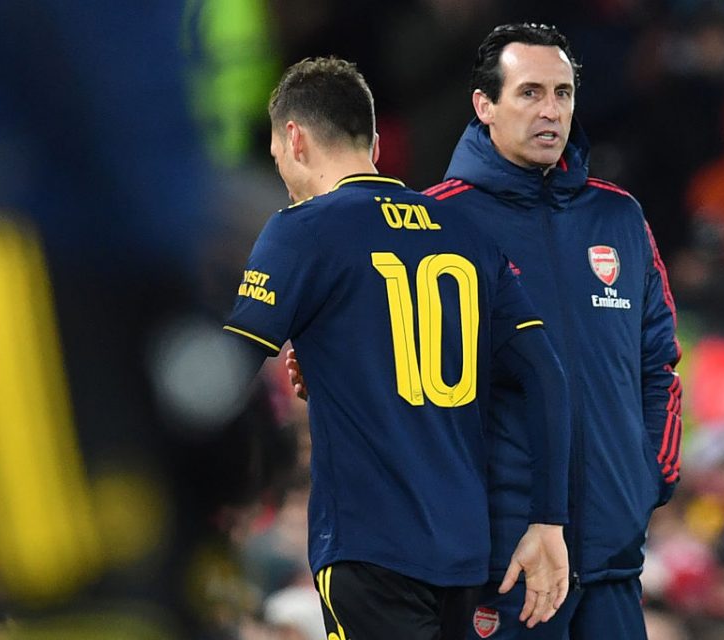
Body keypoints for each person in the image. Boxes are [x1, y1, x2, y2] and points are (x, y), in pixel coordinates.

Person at [288, 23, 683, 639]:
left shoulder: (620, 217)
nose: (550, 110)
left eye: (562, 93)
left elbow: (658, 363)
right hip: (502, 563)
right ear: (484, 106)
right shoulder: (435, 220)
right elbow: (387, 359)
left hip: (612, 562)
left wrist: (646, 478)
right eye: (529, 93)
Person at [224, 56, 572, 640]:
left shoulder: (302, 228)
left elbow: (230, 364)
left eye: (277, 155)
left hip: (370, 545)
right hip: (464, 549)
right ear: (377, 145)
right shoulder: (466, 232)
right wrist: (549, 521)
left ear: (294, 137)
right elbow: (547, 376)